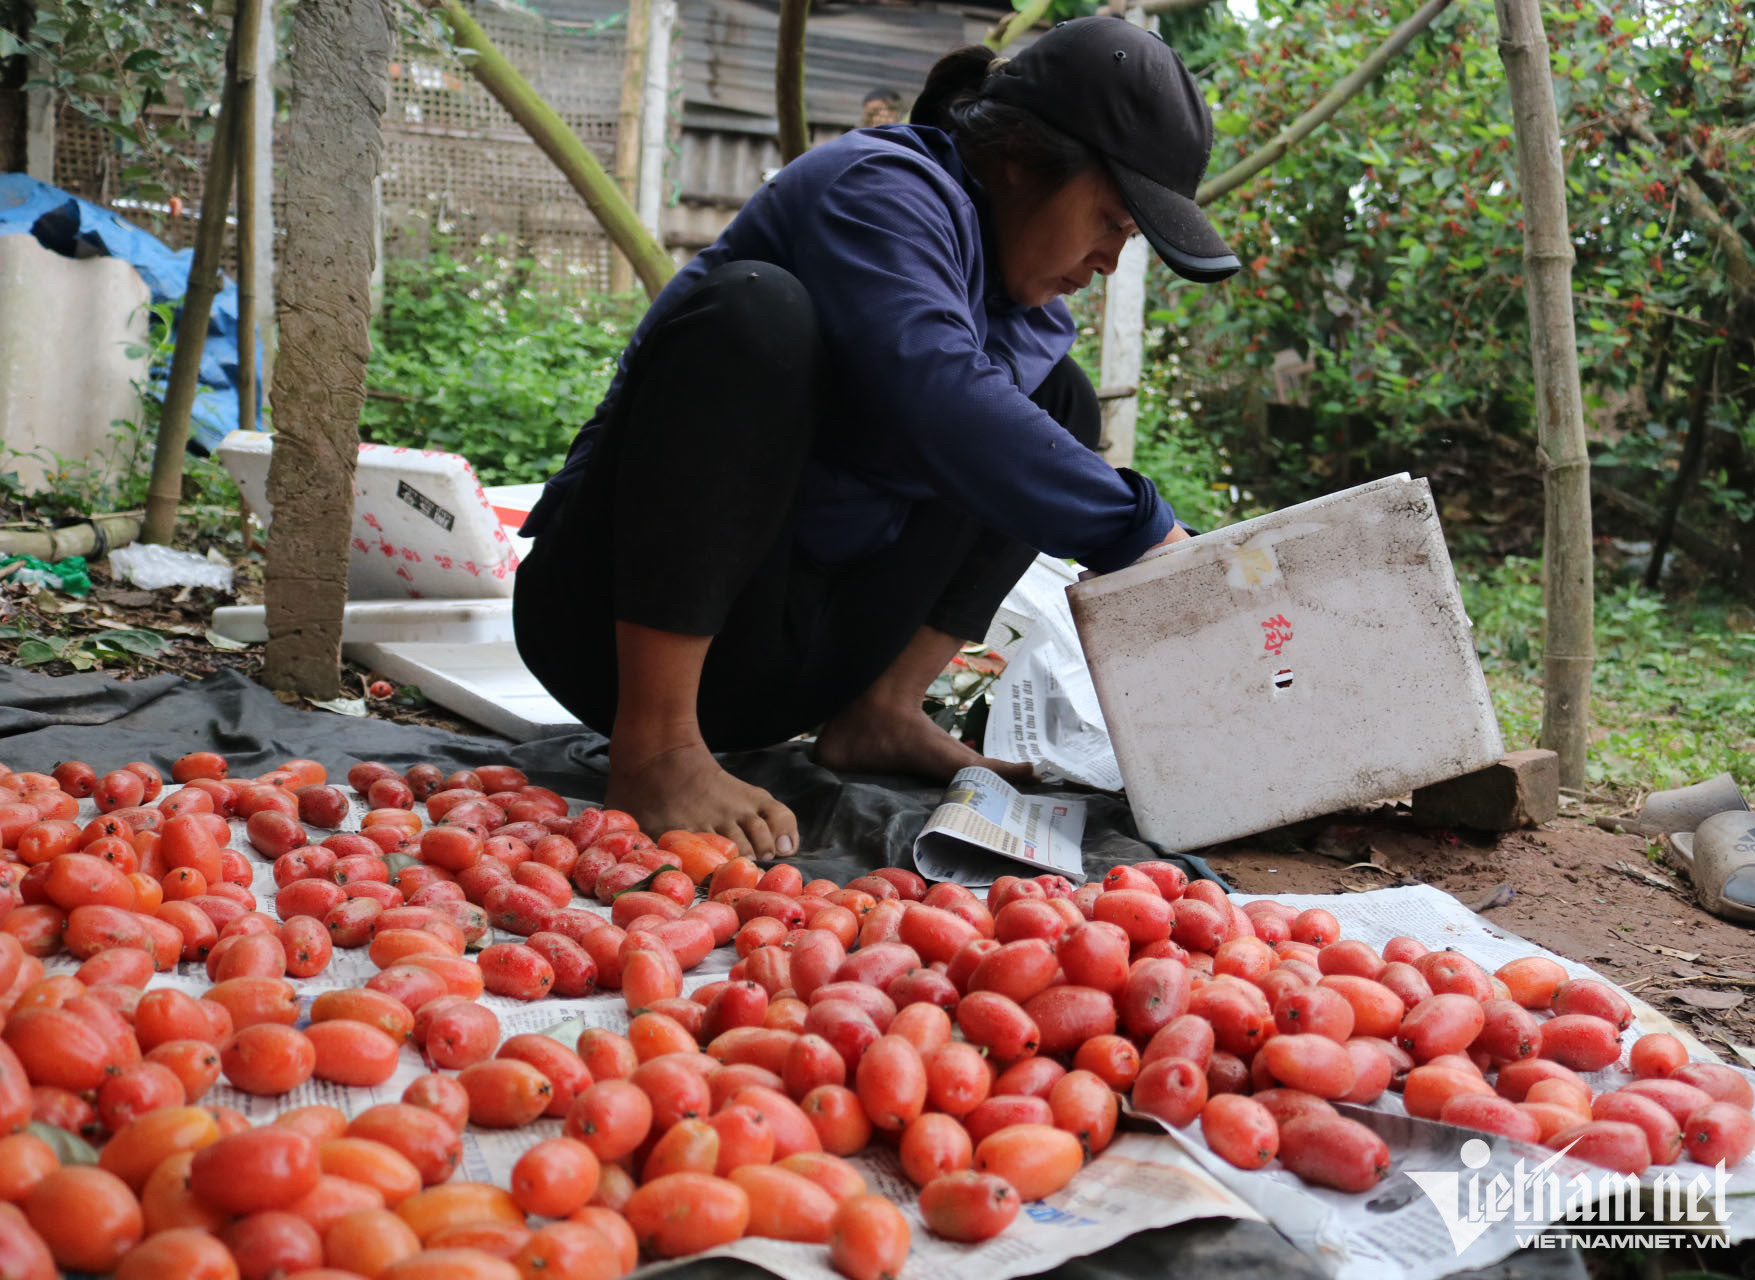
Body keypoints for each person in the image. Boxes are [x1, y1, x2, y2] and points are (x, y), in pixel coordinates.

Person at [514, 17, 1239, 859]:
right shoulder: (878, 185)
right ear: (1018, 159)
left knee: (1054, 405)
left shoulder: (1027, 314)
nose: (1111, 259)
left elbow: (985, 429)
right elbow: (933, 389)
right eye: (1110, 221)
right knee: (755, 315)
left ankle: (882, 712)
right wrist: (1144, 535)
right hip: (604, 629)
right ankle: (658, 748)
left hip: (786, 662)